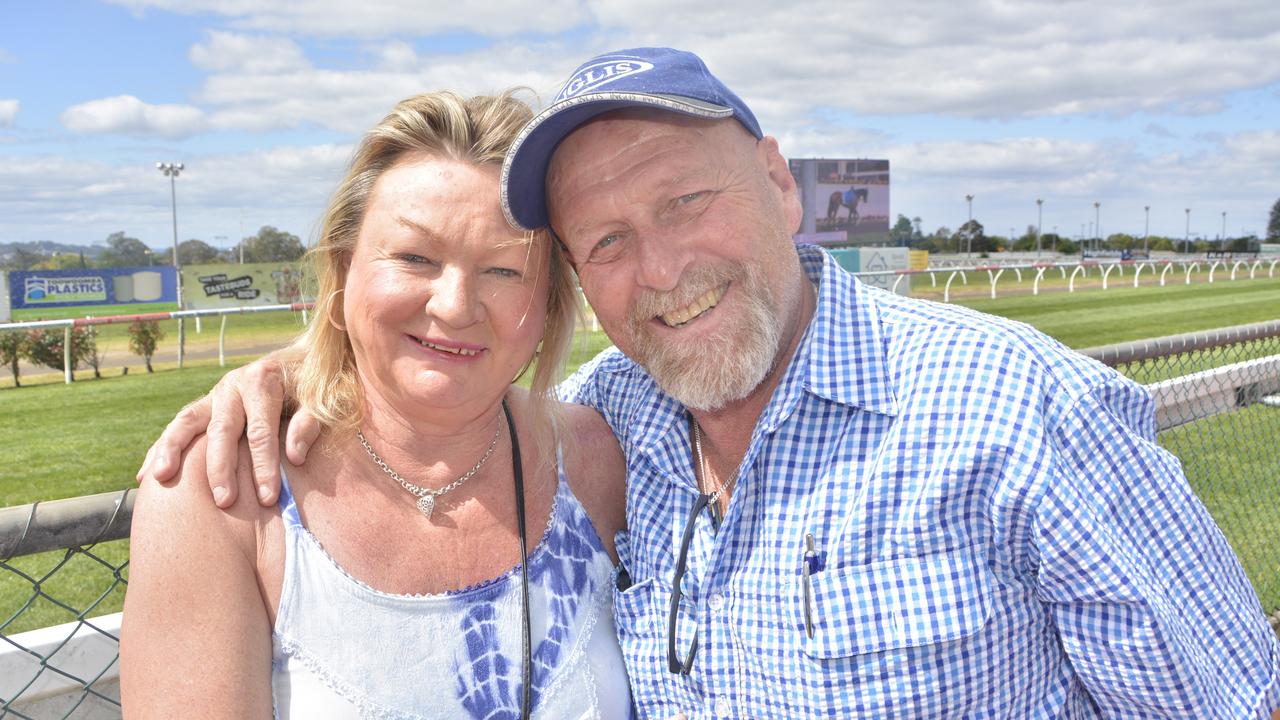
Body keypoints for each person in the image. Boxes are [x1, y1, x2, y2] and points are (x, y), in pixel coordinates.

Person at [140, 49, 1280, 718]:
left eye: (687, 203)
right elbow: (432, 363)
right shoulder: (620, 419)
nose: (664, 271)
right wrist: (295, 374)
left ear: (780, 184)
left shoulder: (1025, 414)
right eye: (607, 240)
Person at [121, 90, 631, 719]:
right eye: (415, 257)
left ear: (549, 303)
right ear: (344, 269)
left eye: (503, 270)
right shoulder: (221, 491)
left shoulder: (601, 454)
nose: (454, 305)